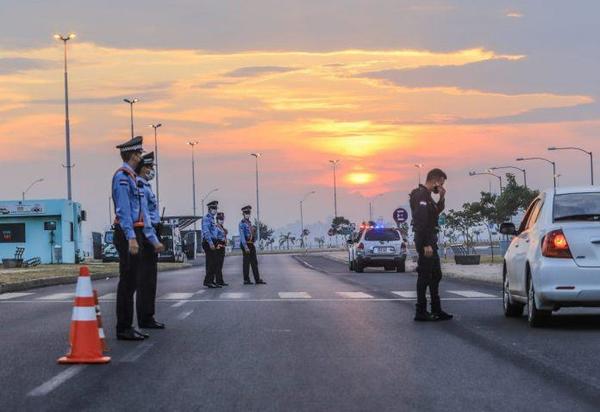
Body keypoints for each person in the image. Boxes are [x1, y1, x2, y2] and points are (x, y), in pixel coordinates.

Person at [112, 136, 162, 341]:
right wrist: (132, 238)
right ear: (133, 155)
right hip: (127, 234)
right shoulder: (122, 177)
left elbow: (141, 213)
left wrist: (151, 238)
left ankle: (129, 325)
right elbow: (123, 211)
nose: (141, 157)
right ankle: (123, 327)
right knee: (128, 281)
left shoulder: (131, 177)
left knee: (132, 281)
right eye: (139, 154)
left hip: (137, 233)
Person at [409, 168, 453, 322]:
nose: (441, 186)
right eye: (440, 183)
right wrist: (427, 244)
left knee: (436, 274)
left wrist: (442, 197)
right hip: (425, 239)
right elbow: (421, 220)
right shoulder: (420, 195)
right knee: (425, 274)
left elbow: (435, 213)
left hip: (429, 239)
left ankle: (436, 308)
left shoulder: (427, 197)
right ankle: (420, 311)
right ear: (435, 180)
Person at [135, 152, 166, 329]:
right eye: (149, 167)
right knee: (146, 279)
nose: (152, 170)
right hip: (147, 236)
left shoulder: (145, 186)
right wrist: (154, 239)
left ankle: (148, 316)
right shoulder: (140, 187)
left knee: (150, 279)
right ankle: (145, 318)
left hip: (150, 234)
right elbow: (145, 216)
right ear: (142, 168)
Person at [239, 205, 266, 285]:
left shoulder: (249, 223)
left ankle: (257, 279)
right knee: (246, 263)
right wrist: (245, 246)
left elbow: (252, 234)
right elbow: (242, 236)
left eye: (249, 213)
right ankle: (246, 280)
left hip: (251, 244)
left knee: (254, 262)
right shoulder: (242, 223)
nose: (248, 214)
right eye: (246, 213)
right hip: (246, 244)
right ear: (243, 214)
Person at [202, 200, 221, 288]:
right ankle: (208, 281)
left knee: (215, 262)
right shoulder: (206, 218)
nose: (215, 210)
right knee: (211, 262)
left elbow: (215, 231)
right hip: (208, 242)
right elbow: (206, 232)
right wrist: (210, 243)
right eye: (213, 208)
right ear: (209, 209)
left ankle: (211, 281)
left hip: (214, 241)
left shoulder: (212, 219)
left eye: (216, 208)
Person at [214, 212, 229, 286]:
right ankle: (218, 281)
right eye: (220, 219)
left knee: (220, 265)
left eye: (222, 219)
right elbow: (215, 237)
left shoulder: (222, 227)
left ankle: (220, 281)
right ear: (217, 219)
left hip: (222, 247)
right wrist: (217, 244)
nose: (221, 220)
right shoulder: (216, 227)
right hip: (218, 247)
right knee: (218, 265)